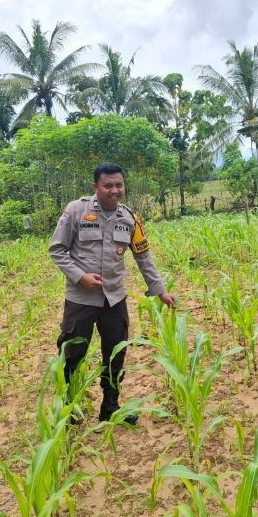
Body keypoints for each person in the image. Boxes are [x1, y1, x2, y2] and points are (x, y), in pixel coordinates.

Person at [49, 162, 175, 425]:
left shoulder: (130, 218)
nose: (114, 190)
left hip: (114, 301)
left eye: (119, 185)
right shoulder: (75, 211)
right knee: (72, 354)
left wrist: (160, 290)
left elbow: (143, 256)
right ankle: (69, 408)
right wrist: (80, 277)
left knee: (116, 354)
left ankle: (110, 406)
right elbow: (57, 250)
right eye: (108, 186)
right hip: (80, 300)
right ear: (95, 186)